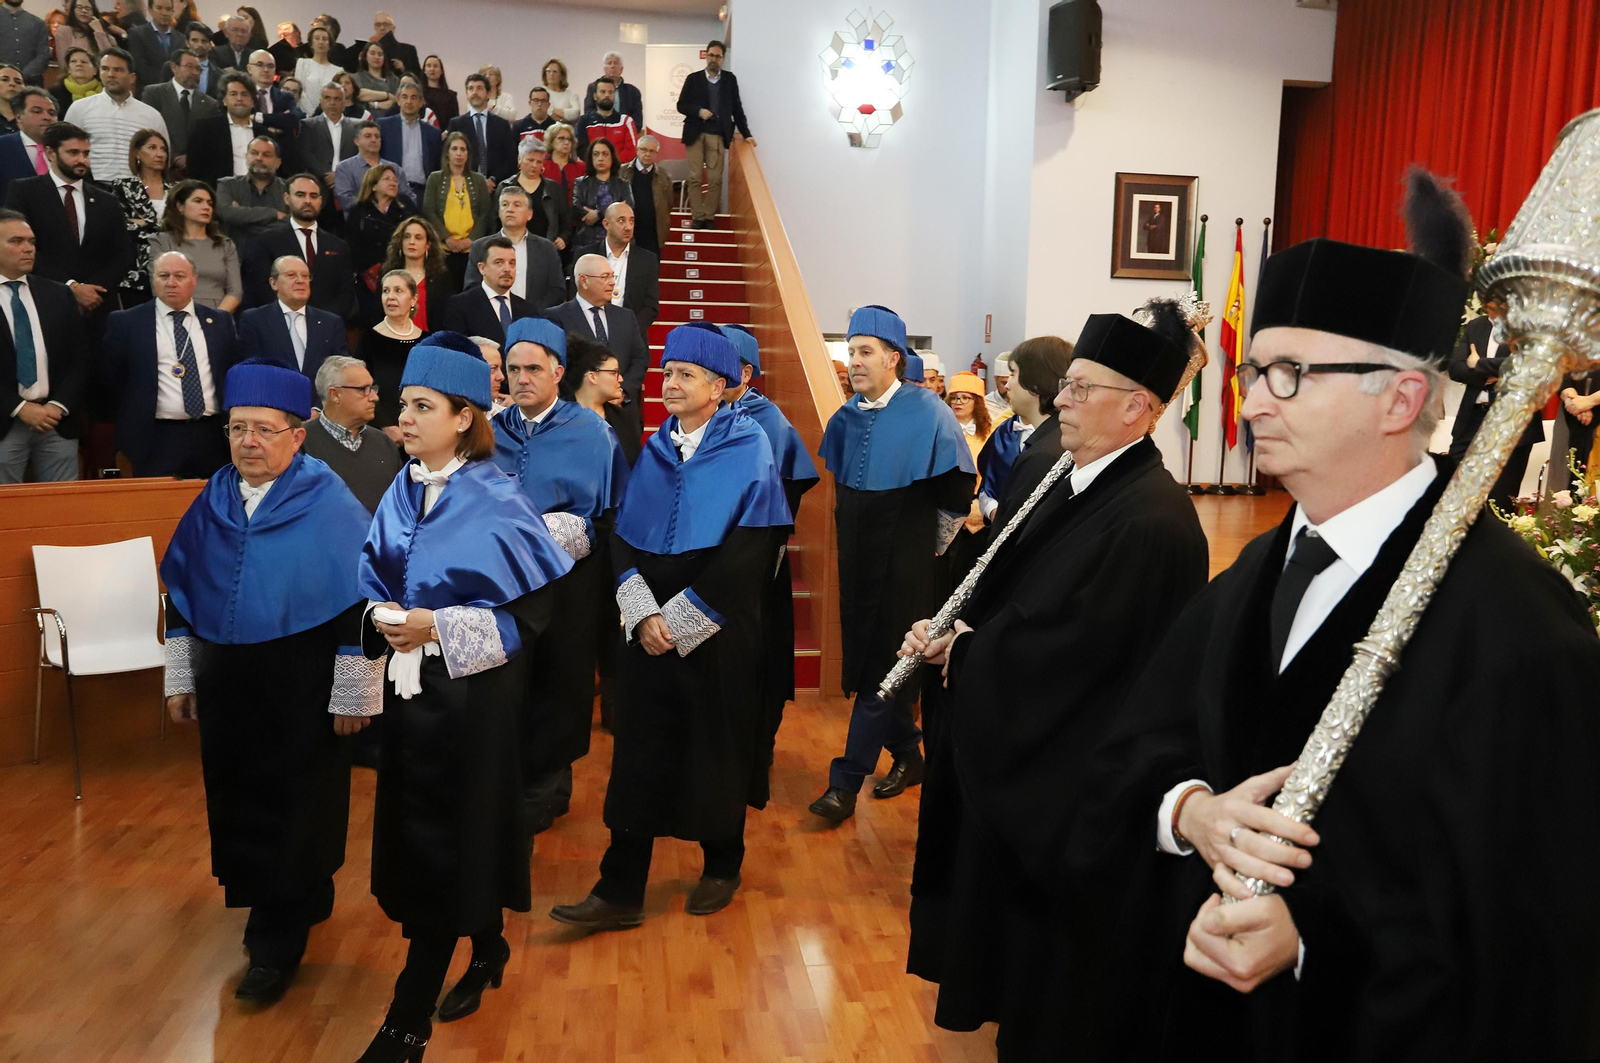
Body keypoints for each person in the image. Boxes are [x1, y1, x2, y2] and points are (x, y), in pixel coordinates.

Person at [1073, 177, 1600, 1061]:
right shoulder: (1252, 573)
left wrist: (1319, 938)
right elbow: (1141, 741)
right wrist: (1190, 811)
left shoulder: (1519, 625)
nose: (1252, 403)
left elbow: (1534, 920)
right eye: (1251, 373)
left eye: (1289, 375)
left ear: (1398, 399)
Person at [901, 305, 1209, 1059]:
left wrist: (968, 654)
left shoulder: (1153, 520)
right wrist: (956, 632)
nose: (1059, 400)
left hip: (1072, 791)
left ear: (1138, 406)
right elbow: (1020, 592)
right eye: (1064, 386)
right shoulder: (1077, 482)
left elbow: (1086, 658)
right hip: (1028, 769)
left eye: (1080, 387)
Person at [352, 331, 571, 1059]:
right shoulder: (402, 488)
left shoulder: (498, 497)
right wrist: (386, 625)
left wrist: (436, 626)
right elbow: (371, 584)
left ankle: (404, 1022)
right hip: (412, 702)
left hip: (473, 708)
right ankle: (486, 947)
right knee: (440, 844)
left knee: (451, 845)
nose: (404, 418)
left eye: (422, 405)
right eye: (403, 404)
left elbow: (530, 616)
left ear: (464, 418)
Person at [550, 323, 790, 931]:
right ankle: (620, 886)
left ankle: (721, 864)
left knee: (716, 747)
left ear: (720, 385)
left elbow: (752, 548)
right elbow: (626, 536)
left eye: (686, 375)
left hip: (718, 628)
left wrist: (683, 619)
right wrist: (639, 609)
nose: (671, 383)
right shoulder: (655, 447)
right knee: (639, 752)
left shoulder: (750, 444)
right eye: (668, 373)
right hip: (649, 631)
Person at [160, 358, 375, 1005]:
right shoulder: (214, 497)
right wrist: (180, 672)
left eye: (263, 429)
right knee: (240, 799)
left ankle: (274, 941)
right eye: (237, 428)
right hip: (229, 686)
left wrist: (354, 688)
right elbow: (182, 590)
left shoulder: (329, 498)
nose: (248, 442)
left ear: (297, 435)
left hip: (302, 686)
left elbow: (361, 601)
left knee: (297, 806)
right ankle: (285, 905)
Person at [809, 305, 976, 824]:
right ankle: (909, 754)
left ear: (893, 359)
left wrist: (931, 550)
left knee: (887, 664)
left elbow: (955, 491)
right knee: (871, 662)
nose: (854, 362)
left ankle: (845, 781)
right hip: (858, 558)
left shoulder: (928, 411)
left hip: (906, 559)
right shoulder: (844, 417)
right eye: (850, 352)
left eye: (864, 353)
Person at [490, 317, 629, 834]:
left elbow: (609, 513)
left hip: (571, 578)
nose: (522, 378)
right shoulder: (492, 430)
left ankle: (547, 784)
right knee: (515, 678)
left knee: (562, 679)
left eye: (533, 368)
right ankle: (533, 782)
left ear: (557, 372)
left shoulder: (593, 431)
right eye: (513, 369)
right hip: (504, 578)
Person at [719, 323, 819, 793]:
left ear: (742, 371)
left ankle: (753, 754)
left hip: (756, 567)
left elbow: (787, 493)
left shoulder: (767, 420)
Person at [103, 249, 238, 476]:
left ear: (194, 280)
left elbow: (231, 373)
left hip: (212, 435)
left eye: (180, 276)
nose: (171, 283)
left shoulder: (219, 321)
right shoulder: (126, 322)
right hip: (156, 438)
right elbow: (111, 379)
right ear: (153, 280)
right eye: (163, 276)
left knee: (214, 505)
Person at [5, 120, 132, 341]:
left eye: (86, 153)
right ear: (50, 153)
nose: (82, 159)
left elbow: (123, 253)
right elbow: (21, 246)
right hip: (44, 302)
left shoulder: (107, 200)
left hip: (98, 309)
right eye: (73, 152)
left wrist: (92, 291)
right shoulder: (25, 192)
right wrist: (70, 288)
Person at [0, 208, 86, 483]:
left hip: (55, 422)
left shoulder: (58, 294)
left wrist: (59, 405)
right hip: (5, 423)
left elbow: (80, 358)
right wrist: (20, 408)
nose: (28, 249)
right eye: (16, 241)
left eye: (32, 242)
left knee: (63, 513)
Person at [543, 253, 648, 442]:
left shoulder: (626, 317)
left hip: (622, 411)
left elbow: (640, 358)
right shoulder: (556, 317)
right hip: (577, 414)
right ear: (583, 281)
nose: (611, 283)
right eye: (604, 277)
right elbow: (555, 364)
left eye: (612, 277)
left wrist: (621, 390)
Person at [1447, 305, 1542, 508]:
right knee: (1453, 491)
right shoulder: (1476, 325)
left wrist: (1479, 363)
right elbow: (1455, 367)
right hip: (1472, 418)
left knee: (1499, 502)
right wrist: (1491, 375)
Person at [974, 335, 1072, 530]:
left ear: (1035, 384)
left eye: (1014, 374)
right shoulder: (1049, 436)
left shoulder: (1044, 455)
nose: (1008, 385)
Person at [300, 351, 402, 512]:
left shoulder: (385, 443)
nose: (374, 397)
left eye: (373, 388)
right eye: (363, 389)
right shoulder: (300, 444)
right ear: (335, 394)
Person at [675, 40, 753, 230]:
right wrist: (699, 111)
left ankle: (709, 217)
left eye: (717, 56)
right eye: (711, 55)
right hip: (695, 133)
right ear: (706, 55)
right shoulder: (693, 79)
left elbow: (737, 108)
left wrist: (746, 133)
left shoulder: (729, 79)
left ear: (722, 59)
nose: (713, 59)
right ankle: (697, 216)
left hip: (717, 134)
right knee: (695, 177)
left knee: (715, 179)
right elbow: (681, 105)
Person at [63, 47, 166, 180]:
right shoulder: (79, 108)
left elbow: (162, 158)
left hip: (138, 189)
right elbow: (66, 151)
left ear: (132, 77)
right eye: (105, 69)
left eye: (118, 70)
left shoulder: (152, 116)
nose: (111, 74)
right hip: (92, 187)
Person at [238, 254, 347, 377]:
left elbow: (341, 371)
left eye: (305, 276)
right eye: (291, 275)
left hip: (318, 395)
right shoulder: (254, 320)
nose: (300, 280)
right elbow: (250, 370)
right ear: (274, 283)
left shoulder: (331, 322)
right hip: (275, 394)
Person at [463, 184, 564, 313]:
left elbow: (556, 290)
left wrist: (532, 314)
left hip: (536, 320)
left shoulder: (547, 248)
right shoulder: (480, 246)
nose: (509, 209)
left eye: (517, 205)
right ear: (499, 212)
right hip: (491, 319)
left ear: (529, 214)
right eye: (505, 205)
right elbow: (472, 287)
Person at [148, 179, 241, 315]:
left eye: (209, 203)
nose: (206, 207)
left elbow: (235, 291)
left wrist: (215, 319)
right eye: (198, 201)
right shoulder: (162, 241)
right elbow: (158, 287)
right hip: (175, 315)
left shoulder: (225, 244)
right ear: (180, 206)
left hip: (218, 316)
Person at [421, 129, 490, 285]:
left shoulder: (478, 180)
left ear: (467, 154)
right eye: (454, 149)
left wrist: (471, 240)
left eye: (462, 149)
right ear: (447, 153)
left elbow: (485, 213)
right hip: (443, 250)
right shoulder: (435, 178)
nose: (459, 153)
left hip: (471, 250)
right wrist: (447, 238)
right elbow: (429, 211)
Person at [107, 126, 168, 302]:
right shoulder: (123, 187)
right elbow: (121, 227)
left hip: (172, 268)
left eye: (163, 149)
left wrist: (145, 222)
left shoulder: (178, 189)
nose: (160, 154)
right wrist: (162, 225)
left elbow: (182, 227)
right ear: (137, 154)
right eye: (152, 148)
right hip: (136, 271)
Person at [359, 268, 425, 431]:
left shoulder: (427, 341)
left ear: (413, 299)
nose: (391, 297)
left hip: (421, 427)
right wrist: (384, 425)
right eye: (385, 291)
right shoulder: (368, 338)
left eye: (398, 291)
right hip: (380, 428)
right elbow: (361, 386)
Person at [561, 331, 637, 464]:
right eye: (614, 372)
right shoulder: (558, 419)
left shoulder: (624, 419)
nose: (620, 379)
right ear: (592, 376)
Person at [443, 235, 533, 345]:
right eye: (499, 262)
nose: (507, 269)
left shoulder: (528, 310)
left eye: (512, 263)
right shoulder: (461, 305)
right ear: (482, 268)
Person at [346, 161, 414, 306]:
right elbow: (352, 245)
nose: (393, 183)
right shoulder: (358, 211)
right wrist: (369, 270)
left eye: (395, 180)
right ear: (373, 185)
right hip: (369, 278)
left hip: (401, 272)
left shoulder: (406, 208)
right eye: (386, 179)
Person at [142, 48, 218, 174]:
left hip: (196, 171)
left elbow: (211, 140)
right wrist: (170, 156)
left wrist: (191, 157)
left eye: (198, 69)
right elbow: (147, 131)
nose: (194, 72)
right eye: (189, 67)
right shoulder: (154, 94)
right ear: (174, 67)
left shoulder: (210, 104)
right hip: (160, 167)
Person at [299, 83, 358, 227]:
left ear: (344, 102)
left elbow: (359, 155)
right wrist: (328, 175)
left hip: (350, 189)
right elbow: (306, 155)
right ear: (321, 100)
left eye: (337, 99)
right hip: (320, 188)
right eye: (327, 98)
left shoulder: (357, 126)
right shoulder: (308, 125)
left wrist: (340, 175)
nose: (332, 102)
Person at [215, 134, 286, 249]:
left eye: (266, 155)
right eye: (254, 153)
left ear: (278, 162)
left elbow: (290, 224)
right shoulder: (227, 184)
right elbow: (226, 213)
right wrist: (274, 214)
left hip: (277, 254)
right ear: (246, 156)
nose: (259, 158)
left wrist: (240, 217)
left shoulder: (288, 188)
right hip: (236, 255)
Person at [383, 215, 453, 332]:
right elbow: (376, 314)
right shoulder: (388, 274)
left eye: (418, 238)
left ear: (427, 245)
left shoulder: (440, 277)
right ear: (400, 242)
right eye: (406, 237)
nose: (412, 242)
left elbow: (446, 317)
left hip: (429, 343)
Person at [602, 201, 656, 345]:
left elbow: (651, 306)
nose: (628, 227)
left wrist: (628, 331)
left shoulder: (647, 260)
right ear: (606, 224)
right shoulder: (586, 255)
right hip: (593, 339)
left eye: (631, 221)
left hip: (632, 341)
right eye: (621, 221)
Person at [569, 137, 632, 259]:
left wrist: (596, 214)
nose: (600, 158)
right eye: (596, 154)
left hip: (617, 243)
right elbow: (577, 207)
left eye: (605, 154)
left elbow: (628, 208)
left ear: (612, 157)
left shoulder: (623, 184)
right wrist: (613, 214)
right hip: (586, 242)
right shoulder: (581, 183)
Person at [447, 71, 514, 185]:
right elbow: (449, 158)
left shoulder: (502, 125)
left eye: (479, 88)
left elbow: (509, 160)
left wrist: (493, 180)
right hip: (464, 185)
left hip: (495, 187)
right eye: (471, 89)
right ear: (467, 94)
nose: (475, 92)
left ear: (488, 94)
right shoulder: (456, 124)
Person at [378, 79, 437, 203]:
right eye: (404, 97)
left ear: (421, 102)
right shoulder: (384, 126)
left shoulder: (433, 133)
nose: (409, 101)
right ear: (398, 100)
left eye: (413, 97)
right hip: (392, 192)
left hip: (422, 193)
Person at [510, 137, 569, 253]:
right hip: (512, 249)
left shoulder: (553, 188)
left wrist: (563, 237)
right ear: (519, 159)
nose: (534, 165)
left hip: (546, 249)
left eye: (539, 162)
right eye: (530, 160)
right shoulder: (506, 187)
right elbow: (494, 221)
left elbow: (566, 218)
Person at [242, 48, 298, 165]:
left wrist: (258, 117)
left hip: (282, 159)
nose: (266, 70)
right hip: (251, 157)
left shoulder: (286, 97)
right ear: (249, 68)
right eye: (260, 65)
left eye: (270, 66)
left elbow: (292, 120)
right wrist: (277, 122)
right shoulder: (243, 96)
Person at [0, 87, 54, 198]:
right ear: (19, 117)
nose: (47, 117)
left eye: (52, 113)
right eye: (37, 111)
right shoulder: (3, 147)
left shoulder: (65, 148)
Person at [334, 118, 392, 218]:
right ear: (357, 141)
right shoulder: (344, 168)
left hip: (393, 221)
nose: (373, 140)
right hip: (360, 222)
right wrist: (377, 208)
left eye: (377, 136)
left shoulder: (394, 168)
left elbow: (408, 197)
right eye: (368, 136)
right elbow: (346, 200)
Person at [574, 75, 637, 166]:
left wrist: (612, 163)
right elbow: (581, 149)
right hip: (592, 172)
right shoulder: (584, 121)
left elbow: (631, 150)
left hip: (620, 171)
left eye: (610, 92)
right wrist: (598, 163)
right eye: (602, 92)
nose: (607, 95)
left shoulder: (626, 121)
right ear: (595, 96)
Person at [123, 0, 176, 98]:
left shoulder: (181, 38)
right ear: (150, 10)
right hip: (147, 95)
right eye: (159, 8)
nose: (164, 13)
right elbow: (139, 66)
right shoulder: (137, 34)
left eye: (168, 9)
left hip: (174, 98)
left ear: (172, 11)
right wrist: (166, 86)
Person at [629, 134, 669, 256]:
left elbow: (668, 203)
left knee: (651, 271)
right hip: (628, 231)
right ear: (637, 150)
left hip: (653, 232)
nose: (647, 154)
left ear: (657, 154)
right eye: (644, 150)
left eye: (652, 151)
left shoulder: (664, 176)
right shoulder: (622, 172)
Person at [582, 51, 642, 129]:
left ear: (621, 69)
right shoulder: (593, 87)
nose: (612, 66)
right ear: (604, 69)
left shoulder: (632, 91)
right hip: (598, 132)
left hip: (624, 133)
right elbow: (589, 112)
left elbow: (637, 120)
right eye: (609, 63)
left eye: (616, 63)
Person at [0, 1, 50, 87]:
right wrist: (5, 74)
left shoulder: (38, 23)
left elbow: (43, 55)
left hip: (30, 84)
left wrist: (21, 75)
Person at [53, 0, 114, 69]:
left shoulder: (104, 35)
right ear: (73, 10)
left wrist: (99, 32)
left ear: (93, 12)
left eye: (88, 8)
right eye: (79, 7)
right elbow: (63, 63)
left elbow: (110, 61)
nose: (84, 11)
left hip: (98, 77)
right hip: (72, 77)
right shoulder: (64, 31)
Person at [293, 21, 341, 107]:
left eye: (325, 39)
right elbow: (299, 91)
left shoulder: (338, 70)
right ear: (311, 43)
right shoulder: (302, 63)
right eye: (317, 38)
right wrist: (312, 114)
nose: (321, 42)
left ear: (329, 44)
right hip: (304, 113)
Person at [362, 10, 417, 80]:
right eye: (378, 25)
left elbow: (418, 77)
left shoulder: (409, 50)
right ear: (374, 28)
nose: (382, 28)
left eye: (385, 24)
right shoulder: (367, 51)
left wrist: (403, 69)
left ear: (393, 28)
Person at [541, 121, 585, 207]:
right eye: (561, 138)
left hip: (574, 215)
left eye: (569, 139)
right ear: (551, 141)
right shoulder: (541, 165)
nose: (566, 142)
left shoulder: (581, 167)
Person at [351, 39, 397, 116]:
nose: (376, 57)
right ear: (365, 56)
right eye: (372, 53)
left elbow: (396, 100)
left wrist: (375, 104)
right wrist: (387, 95)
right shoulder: (356, 78)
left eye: (380, 54)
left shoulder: (393, 79)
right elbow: (360, 94)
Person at [49, 46, 97, 117]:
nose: (79, 64)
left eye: (84, 62)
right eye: (73, 61)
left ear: (95, 70)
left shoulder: (105, 91)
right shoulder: (55, 92)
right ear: (68, 69)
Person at [417, 54, 456, 126]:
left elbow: (455, 119)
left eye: (435, 66)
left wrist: (446, 132)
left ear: (441, 71)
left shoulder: (451, 95)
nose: (432, 69)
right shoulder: (418, 94)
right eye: (428, 66)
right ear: (424, 70)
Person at [539, 57, 578, 124]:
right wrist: (565, 116)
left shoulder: (571, 94)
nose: (551, 74)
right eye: (548, 71)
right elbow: (542, 113)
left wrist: (552, 111)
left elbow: (576, 113)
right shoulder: (541, 93)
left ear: (562, 75)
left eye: (555, 71)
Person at [186, 21, 217, 96]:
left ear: (210, 45)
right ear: (187, 43)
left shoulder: (220, 75)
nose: (199, 45)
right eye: (195, 40)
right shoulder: (172, 68)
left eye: (204, 41)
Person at [984, 351, 1011, 420]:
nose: (1008, 387)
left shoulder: (1024, 406)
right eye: (1004, 383)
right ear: (996, 380)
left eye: (1011, 383)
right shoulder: (986, 405)